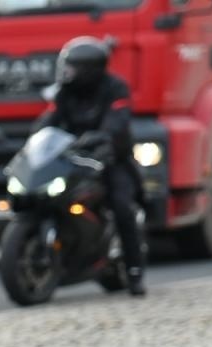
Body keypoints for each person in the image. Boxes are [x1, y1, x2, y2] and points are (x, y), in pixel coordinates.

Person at [35, 36, 146, 295]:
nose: (67, 72)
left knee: (121, 207)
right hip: (74, 157)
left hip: (111, 158)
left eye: (72, 68)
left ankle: (134, 271)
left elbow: (118, 119)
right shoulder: (64, 91)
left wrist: (103, 136)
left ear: (89, 70)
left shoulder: (116, 88)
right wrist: (36, 139)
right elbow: (49, 118)